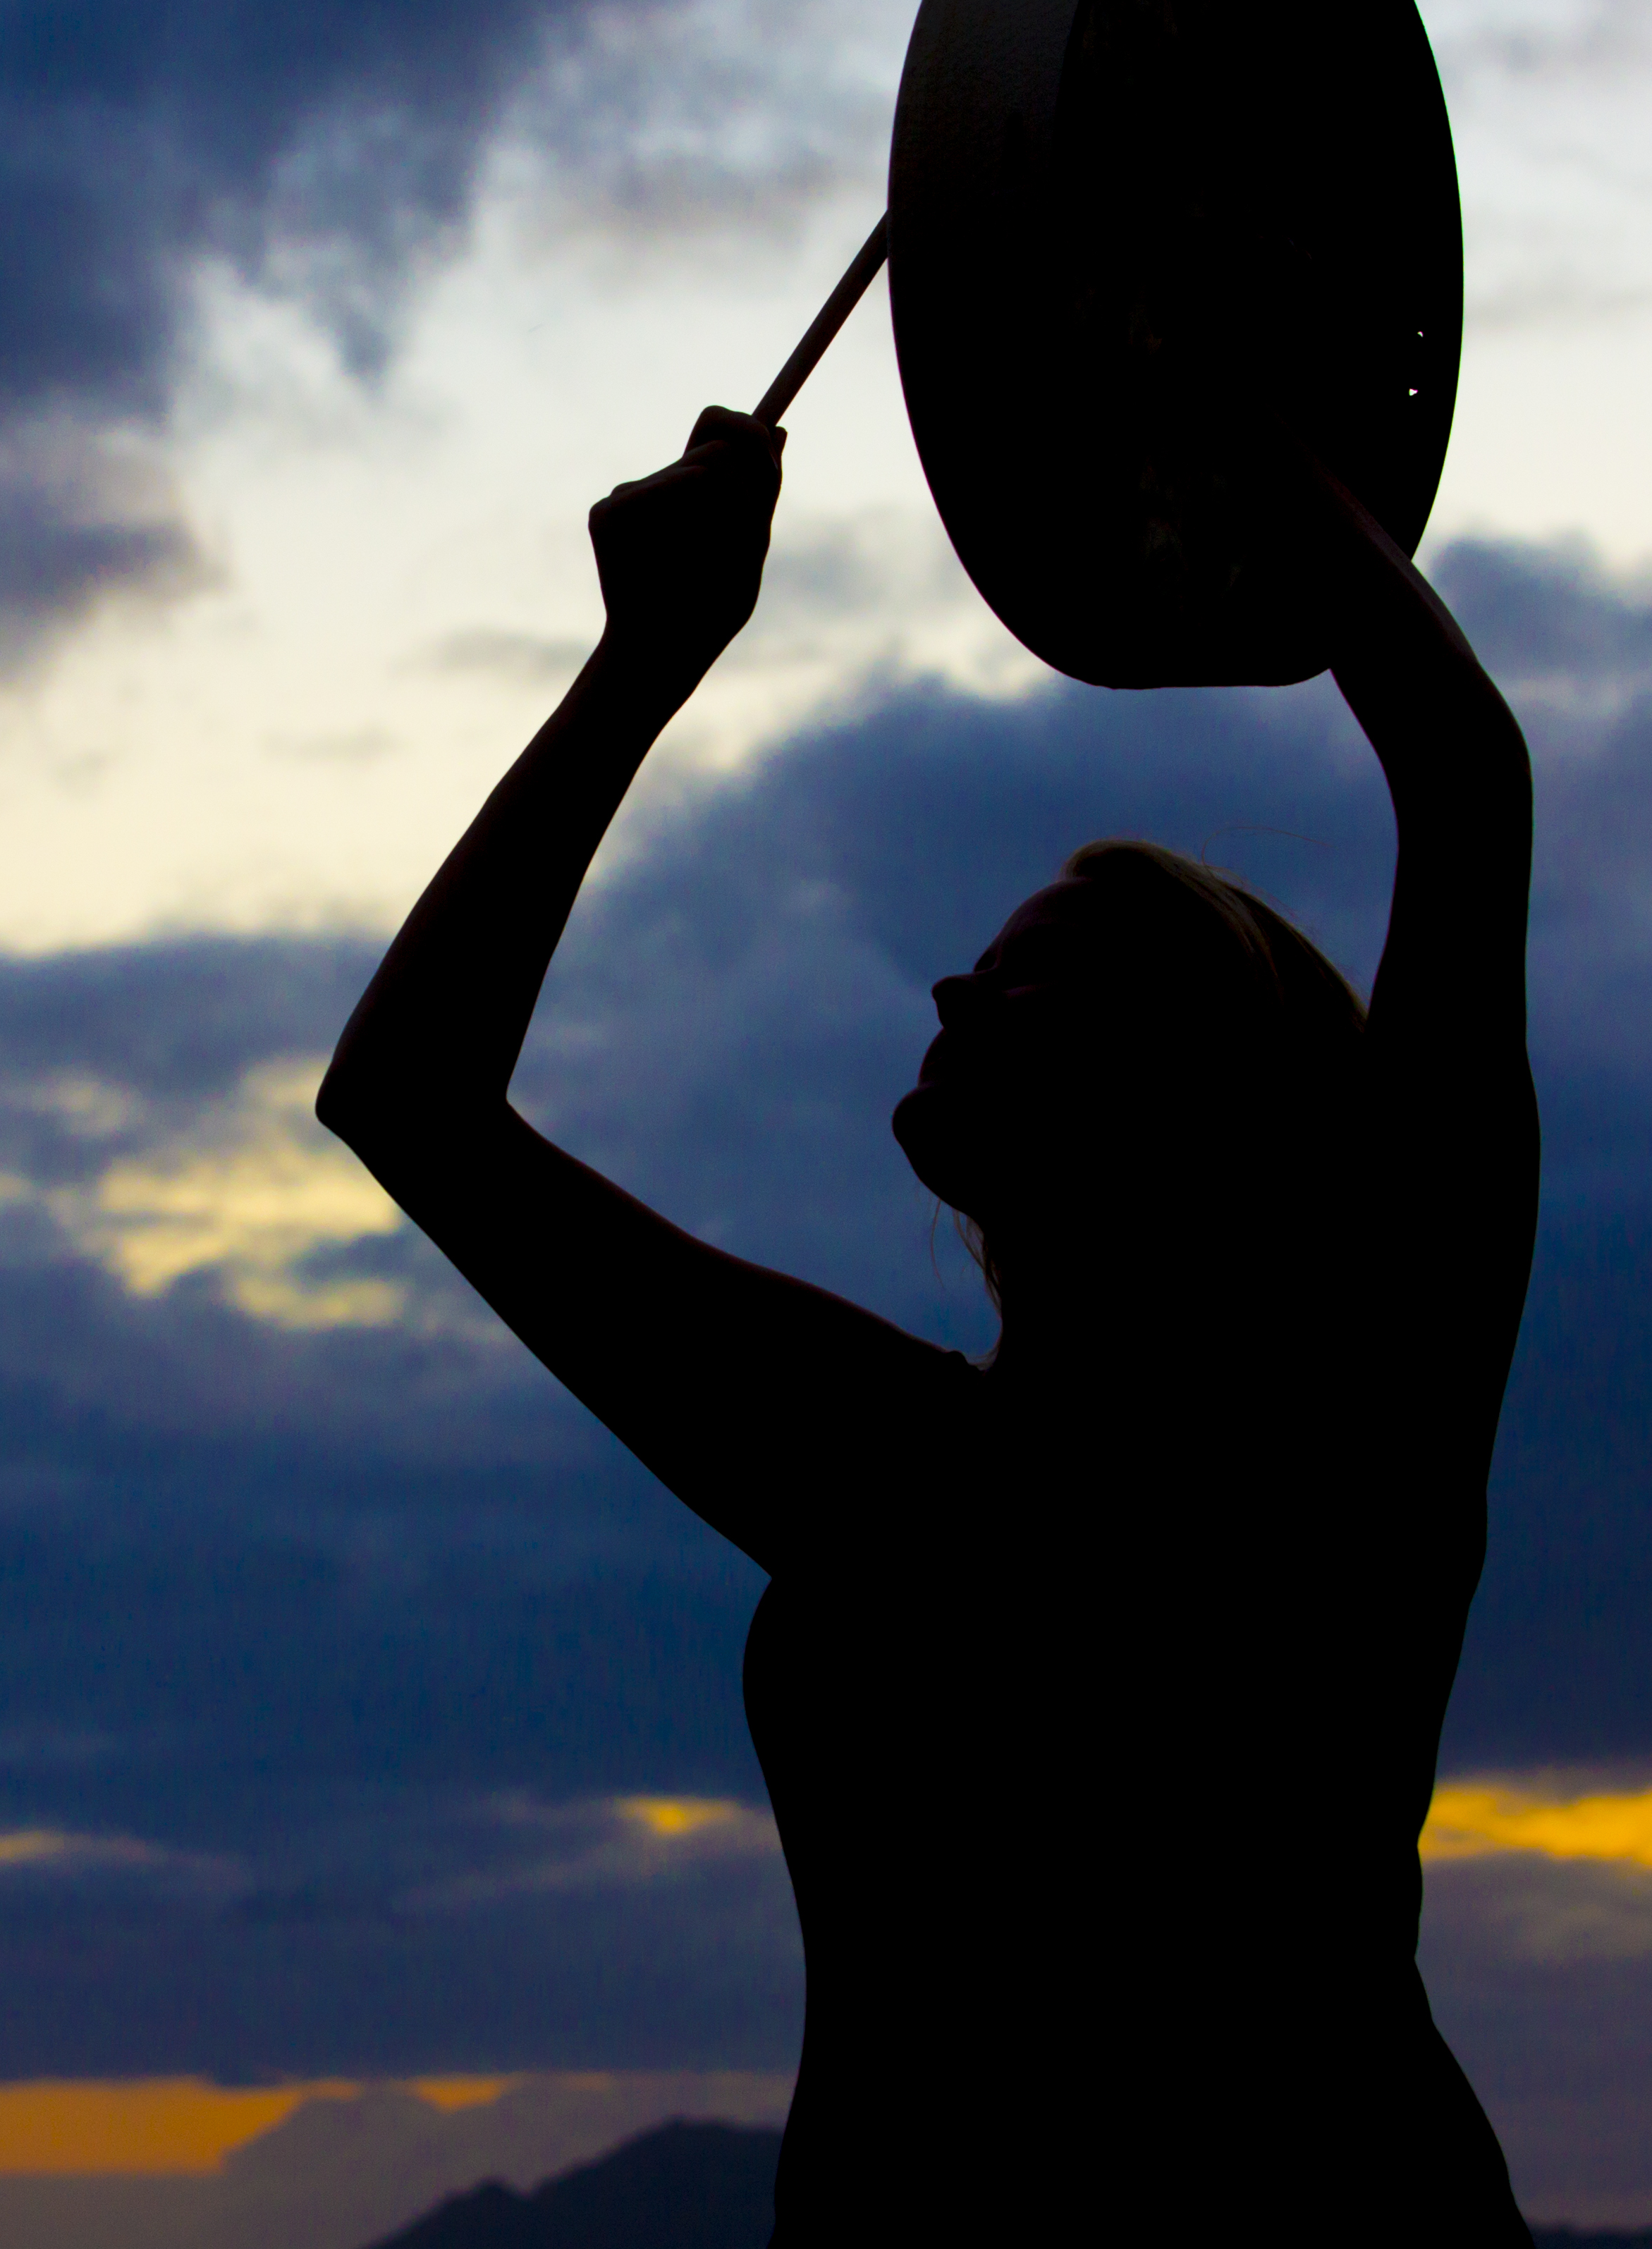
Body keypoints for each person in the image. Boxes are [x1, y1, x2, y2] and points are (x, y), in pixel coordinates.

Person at [318, 403, 1538, 2242]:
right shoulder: (906, 1455)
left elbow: (1462, 775)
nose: (963, 983)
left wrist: (1205, 386)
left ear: (1208, 1085)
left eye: (1044, 968)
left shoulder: (1343, 1446)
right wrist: (644, 657)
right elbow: (406, 1098)